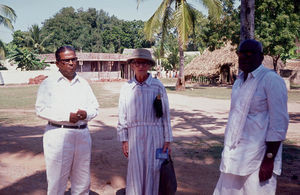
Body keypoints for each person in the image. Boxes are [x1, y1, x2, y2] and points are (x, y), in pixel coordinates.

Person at [213, 39, 289, 195]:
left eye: (250, 54)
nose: (245, 58)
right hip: (235, 154)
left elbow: (279, 123)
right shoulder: (239, 81)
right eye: (241, 54)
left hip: (258, 156)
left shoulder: (271, 80)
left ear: (260, 57)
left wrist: (269, 159)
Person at [35, 46, 99, 195]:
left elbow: (95, 107)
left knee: (82, 179)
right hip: (58, 134)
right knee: (57, 180)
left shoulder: (83, 83)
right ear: (57, 63)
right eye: (66, 60)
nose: (71, 63)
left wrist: (86, 114)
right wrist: (66, 116)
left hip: (82, 134)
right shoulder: (49, 83)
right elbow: (40, 109)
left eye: (73, 59)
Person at [117, 48, 173, 195]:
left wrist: (167, 139)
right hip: (134, 135)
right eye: (137, 63)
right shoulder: (127, 88)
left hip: (155, 134)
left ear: (149, 65)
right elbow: (122, 116)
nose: (140, 66)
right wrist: (124, 140)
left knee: (154, 170)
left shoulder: (157, 86)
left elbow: (165, 114)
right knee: (135, 172)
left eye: (144, 63)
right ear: (132, 65)